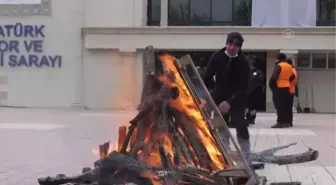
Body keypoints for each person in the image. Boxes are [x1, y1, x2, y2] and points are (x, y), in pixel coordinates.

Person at [203, 32, 251, 158]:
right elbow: (207, 77)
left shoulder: (243, 62)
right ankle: (225, 153)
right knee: (220, 125)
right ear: (226, 43)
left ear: (240, 47)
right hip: (220, 94)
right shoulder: (217, 57)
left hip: (237, 97)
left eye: (236, 45)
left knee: (240, 123)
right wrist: (211, 95)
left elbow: (244, 87)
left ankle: (246, 155)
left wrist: (230, 102)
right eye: (230, 43)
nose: (232, 47)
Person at [269, 53, 295, 128]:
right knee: (284, 105)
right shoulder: (289, 66)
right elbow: (292, 76)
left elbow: (274, 77)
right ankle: (285, 122)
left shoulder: (279, 66)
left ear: (278, 58)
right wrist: (287, 80)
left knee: (279, 105)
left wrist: (272, 86)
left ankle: (279, 122)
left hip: (279, 87)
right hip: (287, 87)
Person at [245, 59, 264, 125]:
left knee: (253, 107)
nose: (250, 67)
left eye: (251, 65)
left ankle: (252, 119)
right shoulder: (246, 72)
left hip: (254, 92)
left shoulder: (258, 72)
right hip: (247, 92)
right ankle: (247, 118)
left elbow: (260, 80)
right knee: (247, 107)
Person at [287, 58, 298, 126]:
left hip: (289, 89)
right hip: (292, 89)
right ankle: (289, 121)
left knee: (288, 107)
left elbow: (292, 78)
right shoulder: (294, 70)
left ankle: (289, 121)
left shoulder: (291, 70)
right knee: (289, 106)